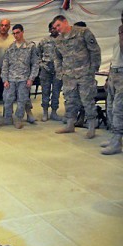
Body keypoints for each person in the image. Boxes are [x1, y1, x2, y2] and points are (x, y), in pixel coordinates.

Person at [53, 15, 101, 138]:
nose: (57, 28)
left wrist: (93, 69)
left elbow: (94, 50)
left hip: (84, 74)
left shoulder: (83, 32)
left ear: (65, 22)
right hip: (69, 76)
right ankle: (70, 125)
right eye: (55, 27)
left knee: (87, 100)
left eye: (58, 25)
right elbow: (57, 57)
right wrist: (60, 72)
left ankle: (91, 127)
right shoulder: (58, 40)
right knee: (70, 100)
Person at [1, 24, 39, 129]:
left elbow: (35, 64)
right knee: (7, 99)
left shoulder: (30, 46)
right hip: (11, 78)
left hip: (24, 78)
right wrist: (5, 79)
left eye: (17, 33)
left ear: (22, 32)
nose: (15, 35)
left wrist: (31, 79)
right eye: (13, 33)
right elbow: (5, 64)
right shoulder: (10, 48)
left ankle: (18, 118)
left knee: (22, 100)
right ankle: (8, 117)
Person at [101, 11, 123, 155]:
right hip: (114, 72)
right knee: (110, 108)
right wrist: (109, 77)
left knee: (118, 110)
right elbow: (115, 56)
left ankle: (117, 141)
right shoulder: (120, 31)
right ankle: (114, 137)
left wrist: (122, 34)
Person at [37, 22, 63, 122]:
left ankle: (54, 112)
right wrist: (41, 64)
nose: (53, 30)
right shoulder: (44, 41)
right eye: (51, 28)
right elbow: (37, 53)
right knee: (45, 91)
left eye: (55, 28)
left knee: (56, 91)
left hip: (58, 70)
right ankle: (45, 111)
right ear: (49, 30)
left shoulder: (63, 40)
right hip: (46, 69)